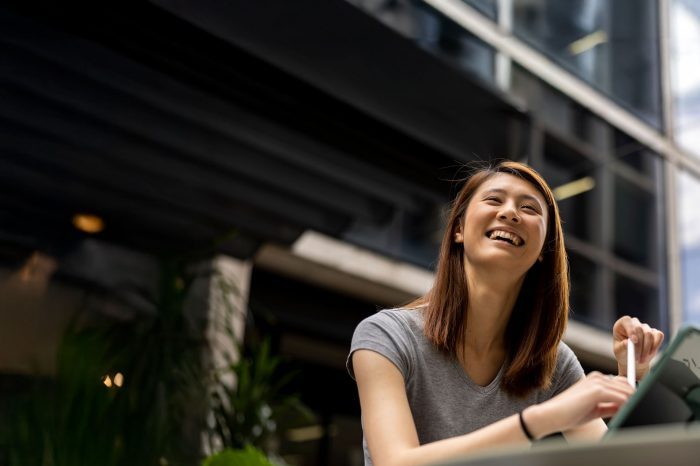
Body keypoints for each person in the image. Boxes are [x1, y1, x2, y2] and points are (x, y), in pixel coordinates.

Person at [347, 161, 665, 466]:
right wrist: (542, 420)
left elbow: (617, 462)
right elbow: (397, 463)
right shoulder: (386, 336)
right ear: (458, 229)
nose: (510, 213)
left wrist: (635, 377)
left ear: (543, 249)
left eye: (529, 208)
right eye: (493, 200)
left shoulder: (552, 363)